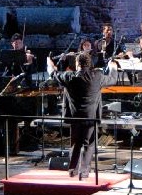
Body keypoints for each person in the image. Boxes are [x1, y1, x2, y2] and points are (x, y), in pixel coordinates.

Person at [46, 52, 117, 180]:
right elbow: (113, 79)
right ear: (89, 64)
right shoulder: (97, 76)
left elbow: (52, 73)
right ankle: (83, 172)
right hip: (91, 116)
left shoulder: (69, 76)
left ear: (77, 64)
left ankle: (73, 170)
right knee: (88, 144)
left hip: (75, 116)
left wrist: (49, 62)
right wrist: (113, 67)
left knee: (75, 143)